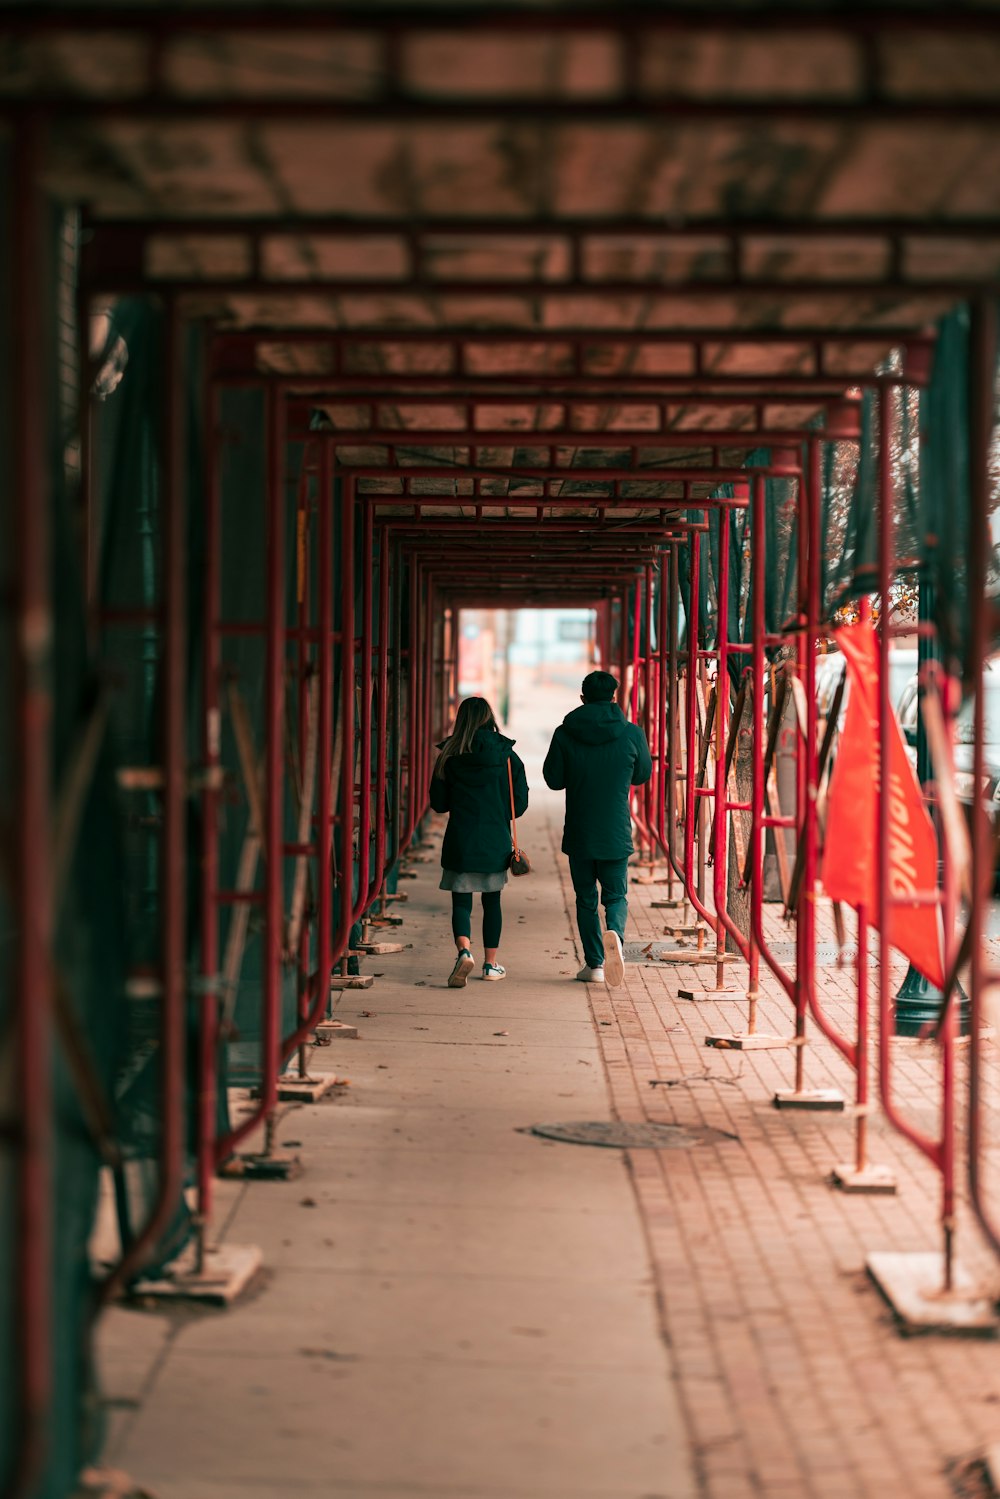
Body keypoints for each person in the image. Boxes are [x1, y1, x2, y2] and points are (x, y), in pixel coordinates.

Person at [543, 669, 652, 987]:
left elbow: (553, 780)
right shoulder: (632, 733)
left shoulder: (565, 733)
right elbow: (642, 775)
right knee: (616, 896)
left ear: (582, 698)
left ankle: (595, 965)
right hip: (616, 830)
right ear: (614, 698)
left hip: (579, 830)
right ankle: (615, 937)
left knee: (586, 898)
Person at [430, 697, 529, 988]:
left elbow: (438, 803)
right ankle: (490, 964)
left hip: (461, 838)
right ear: (489, 718)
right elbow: (518, 805)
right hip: (494, 839)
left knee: (461, 902)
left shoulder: (449, 754)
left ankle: (463, 951)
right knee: (492, 902)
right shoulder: (506, 755)